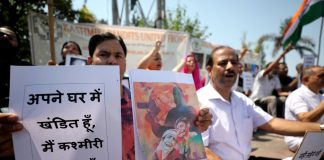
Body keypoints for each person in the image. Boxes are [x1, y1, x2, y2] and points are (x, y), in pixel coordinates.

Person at [0, 32, 212, 159]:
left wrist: (194, 123)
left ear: (124, 64)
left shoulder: (142, 104)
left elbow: (167, 136)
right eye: (104, 54)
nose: (112, 61)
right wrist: (14, 141)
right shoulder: (62, 104)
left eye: (118, 56)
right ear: (90, 62)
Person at [197, 45, 323, 160]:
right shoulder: (198, 101)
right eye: (223, 63)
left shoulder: (243, 100)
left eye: (234, 62)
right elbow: (200, 149)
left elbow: (272, 123)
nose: (230, 67)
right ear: (209, 70)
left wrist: (321, 128)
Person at [284, 66, 324, 152]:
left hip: (318, 137)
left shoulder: (320, 96)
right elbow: (305, 120)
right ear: (306, 79)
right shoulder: (297, 95)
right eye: (321, 76)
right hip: (299, 139)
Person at [249, 46, 291, 117]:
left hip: (267, 99)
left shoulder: (275, 78)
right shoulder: (261, 74)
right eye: (274, 68)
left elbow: (280, 93)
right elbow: (269, 68)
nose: (275, 70)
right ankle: (273, 120)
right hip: (257, 99)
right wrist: (282, 54)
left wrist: (290, 94)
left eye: (277, 68)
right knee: (273, 98)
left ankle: (285, 118)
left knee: (284, 99)